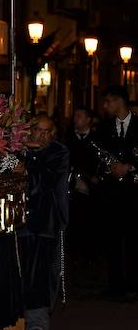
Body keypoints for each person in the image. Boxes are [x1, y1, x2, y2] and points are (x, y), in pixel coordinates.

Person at [19, 116, 70, 330]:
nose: (41, 135)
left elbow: (47, 181)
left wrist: (32, 155)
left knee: (40, 274)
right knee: (21, 272)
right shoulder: (19, 148)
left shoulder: (59, 152)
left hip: (45, 223)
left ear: (53, 134)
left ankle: (37, 324)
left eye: (47, 132)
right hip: (20, 221)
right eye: (37, 130)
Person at [96, 85, 138, 299]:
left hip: (133, 192)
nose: (105, 106)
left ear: (119, 101)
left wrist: (129, 166)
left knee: (132, 238)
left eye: (108, 101)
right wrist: (109, 168)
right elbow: (97, 157)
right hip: (111, 192)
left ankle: (132, 284)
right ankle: (115, 284)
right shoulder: (103, 128)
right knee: (112, 238)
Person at [65, 106, 98, 259]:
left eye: (79, 116)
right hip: (72, 187)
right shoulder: (68, 138)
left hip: (91, 189)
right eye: (75, 116)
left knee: (89, 220)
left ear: (88, 120)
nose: (75, 119)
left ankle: (89, 252)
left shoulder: (97, 138)